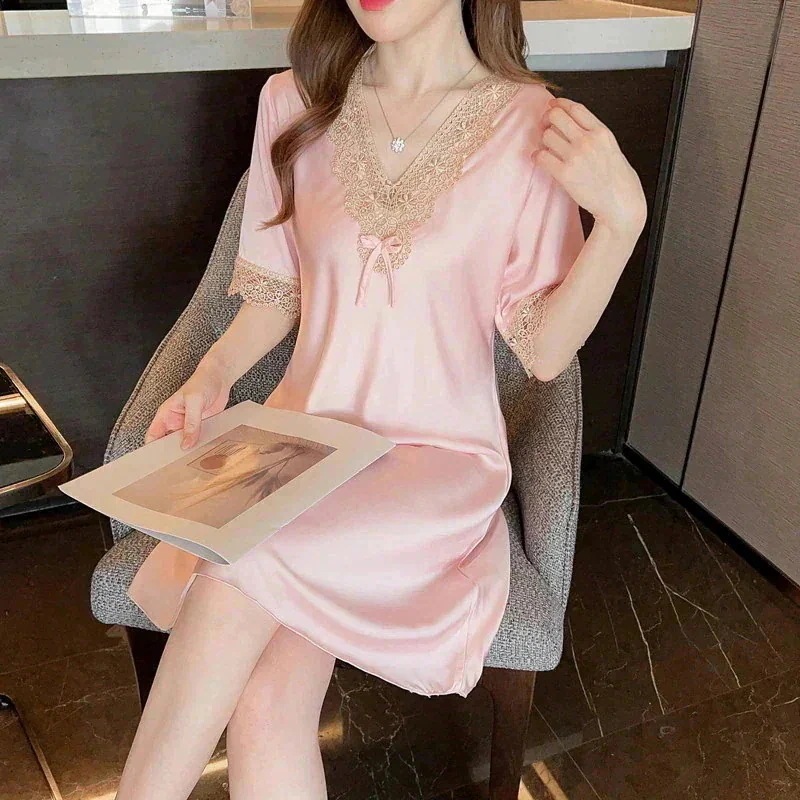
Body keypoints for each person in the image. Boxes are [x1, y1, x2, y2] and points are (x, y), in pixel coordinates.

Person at [116, 0, 647, 797]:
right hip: (298, 442)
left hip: (432, 461)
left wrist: (621, 222)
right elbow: (274, 293)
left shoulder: (532, 124)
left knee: (237, 555)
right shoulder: (294, 101)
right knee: (266, 704)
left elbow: (542, 351)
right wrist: (210, 375)